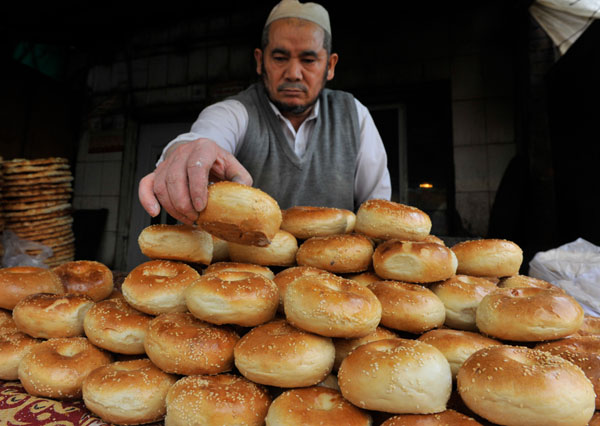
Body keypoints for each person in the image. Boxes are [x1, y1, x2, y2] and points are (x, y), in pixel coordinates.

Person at [138, 0, 391, 225]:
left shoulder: (354, 116)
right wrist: (183, 152)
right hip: (240, 277)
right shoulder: (237, 113)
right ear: (260, 61)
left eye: (308, 60)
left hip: (335, 278)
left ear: (330, 65)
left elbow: (380, 213)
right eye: (280, 58)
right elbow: (201, 139)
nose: (293, 73)